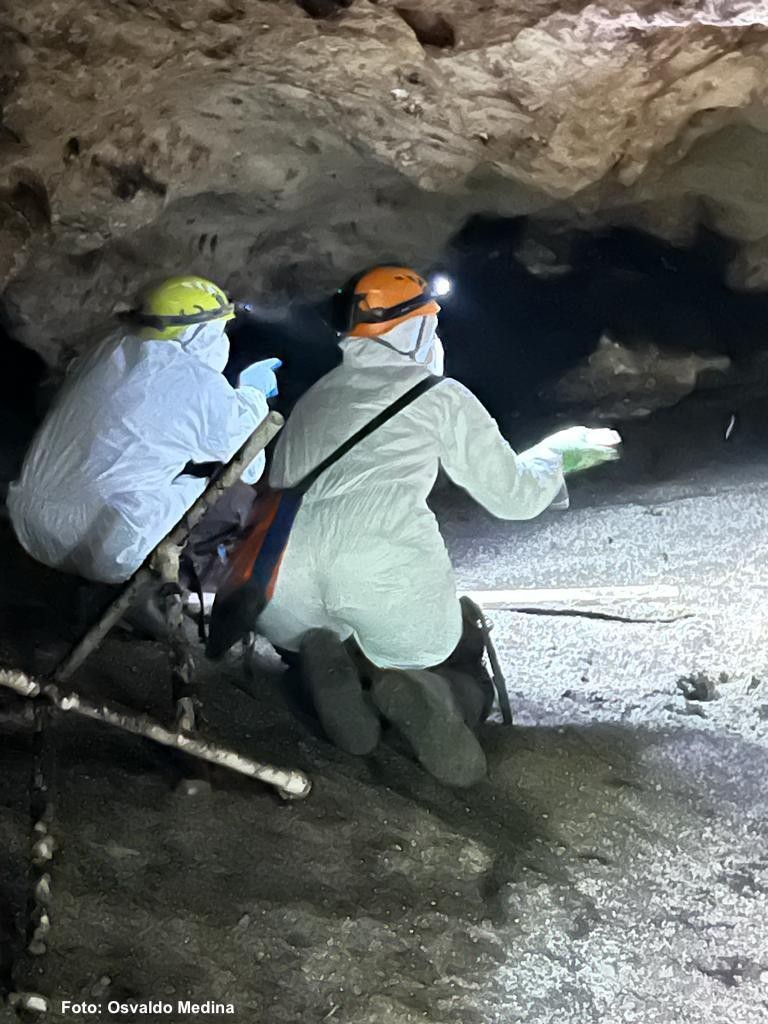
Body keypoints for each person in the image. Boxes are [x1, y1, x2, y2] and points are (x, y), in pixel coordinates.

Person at [245, 266, 619, 786]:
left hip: (279, 577)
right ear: (418, 329)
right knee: (449, 643)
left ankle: (319, 670)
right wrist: (556, 457)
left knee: (334, 624)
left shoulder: (315, 398)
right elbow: (511, 496)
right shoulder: (437, 395)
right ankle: (442, 695)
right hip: (376, 568)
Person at [8, 275, 276, 588]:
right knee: (234, 495)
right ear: (199, 332)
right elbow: (251, 464)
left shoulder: (107, 348)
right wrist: (254, 396)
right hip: (100, 551)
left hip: (29, 524)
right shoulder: (192, 382)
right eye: (219, 329)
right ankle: (184, 593)